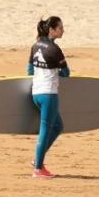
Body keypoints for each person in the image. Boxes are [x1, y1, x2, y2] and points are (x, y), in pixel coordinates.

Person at [27, 16, 69, 179]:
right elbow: (66, 73)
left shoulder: (35, 45)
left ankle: (38, 160)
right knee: (45, 130)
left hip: (36, 93)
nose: (62, 30)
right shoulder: (55, 49)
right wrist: (56, 71)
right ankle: (38, 168)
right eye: (60, 28)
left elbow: (30, 70)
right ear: (51, 30)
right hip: (49, 94)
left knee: (58, 126)